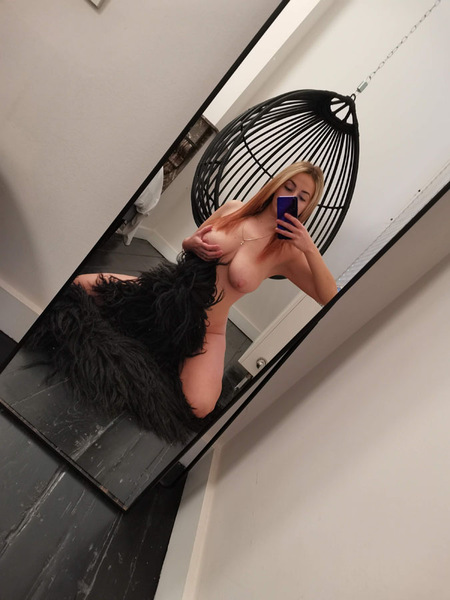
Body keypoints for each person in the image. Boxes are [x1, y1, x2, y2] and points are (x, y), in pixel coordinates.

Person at [29, 161, 337, 442]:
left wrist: (309, 248)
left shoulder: (287, 252)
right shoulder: (234, 209)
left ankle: (170, 352)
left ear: (307, 207)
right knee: (80, 286)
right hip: (164, 294)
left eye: (303, 197)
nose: (292, 197)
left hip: (206, 329)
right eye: (289, 187)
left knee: (200, 405)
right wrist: (194, 244)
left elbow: (330, 296)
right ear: (276, 185)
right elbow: (188, 242)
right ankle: (154, 338)